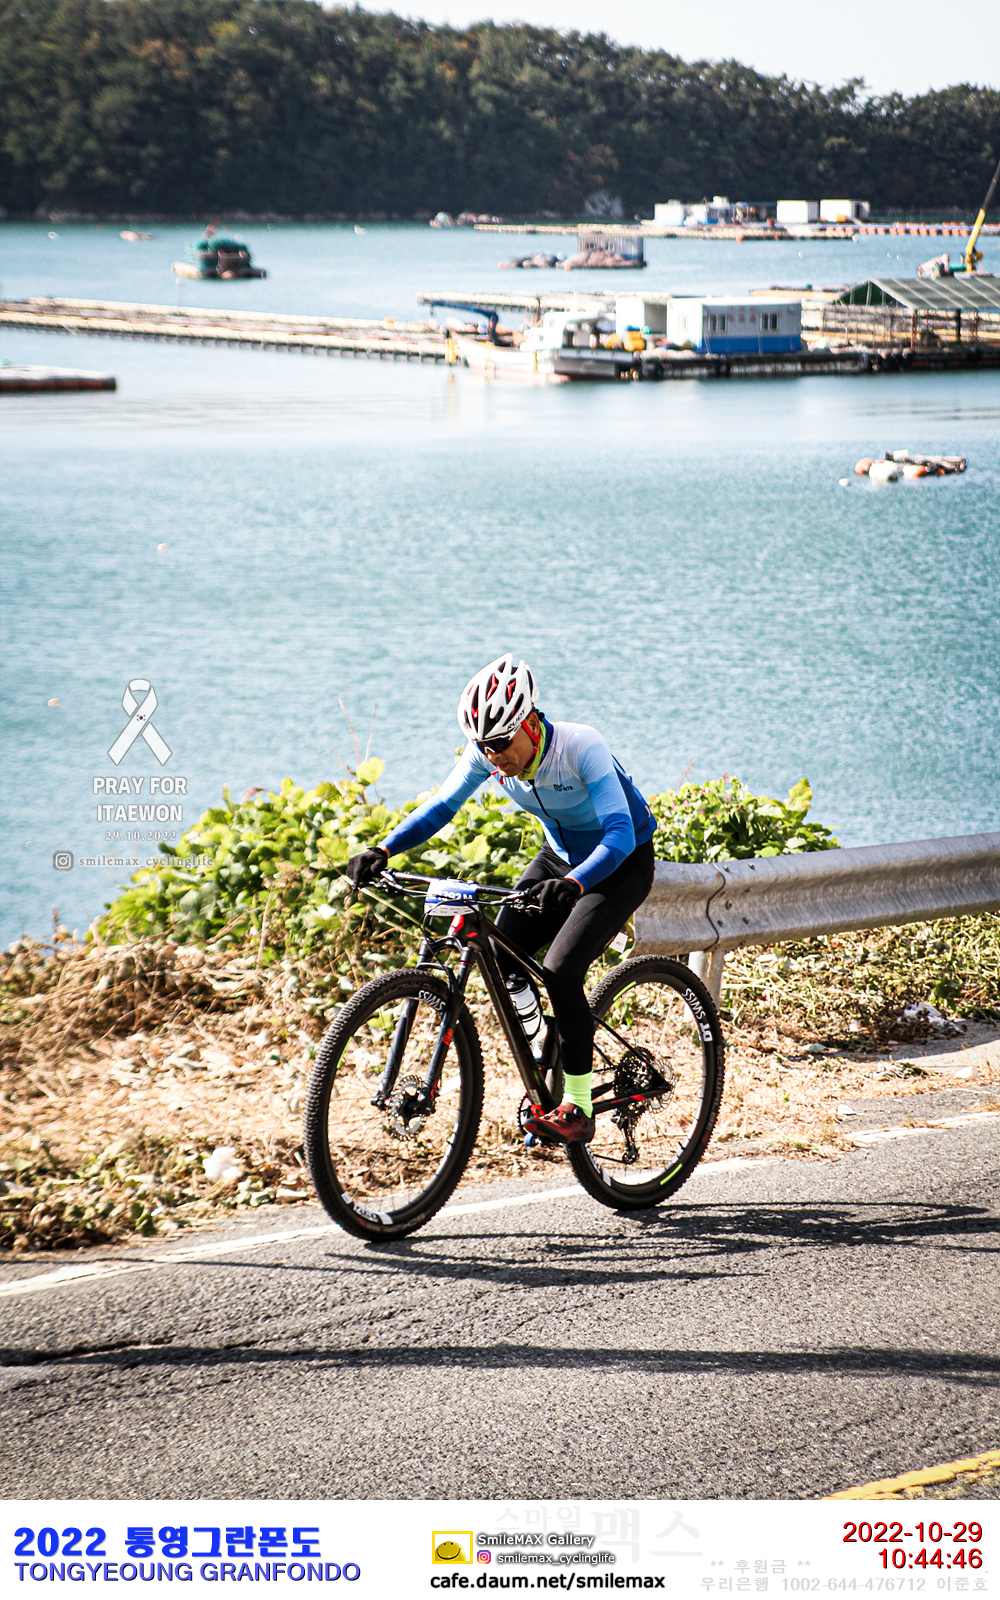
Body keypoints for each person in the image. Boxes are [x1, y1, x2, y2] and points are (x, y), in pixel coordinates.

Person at [348, 654, 657, 1144]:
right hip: (557, 859)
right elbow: (441, 807)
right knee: (499, 950)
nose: (493, 757)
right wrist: (383, 849)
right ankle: (546, 1042)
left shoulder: (581, 746)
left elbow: (619, 833)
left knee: (560, 970)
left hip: (619, 862)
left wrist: (577, 884)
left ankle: (578, 1106)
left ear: (530, 724)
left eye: (499, 744)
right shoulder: (487, 754)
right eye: (483, 746)